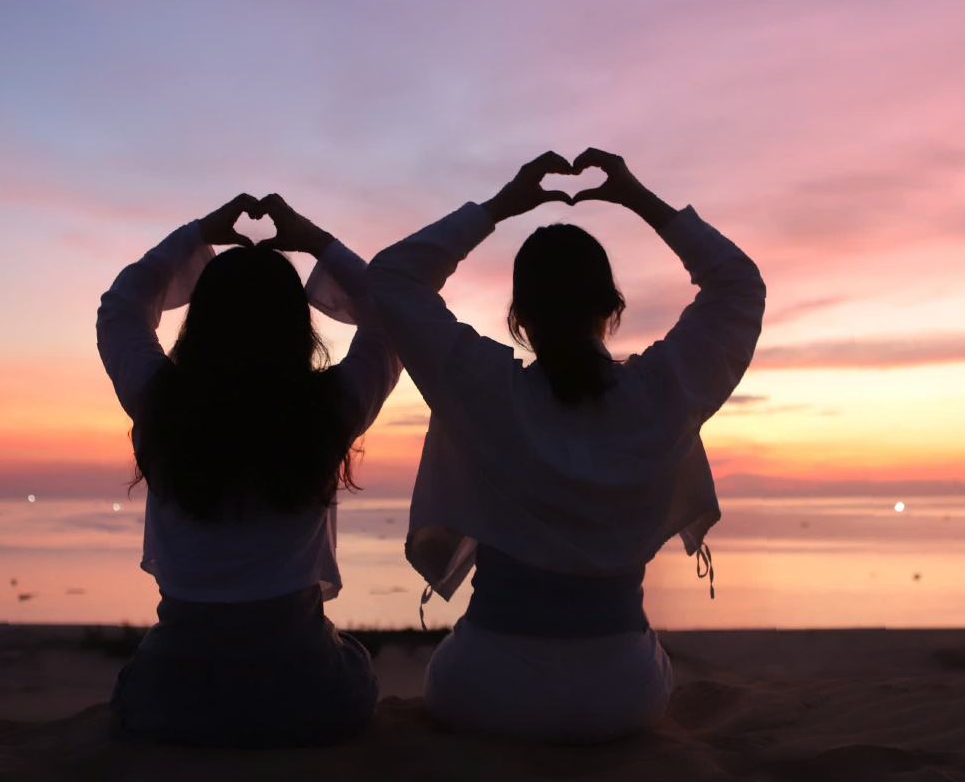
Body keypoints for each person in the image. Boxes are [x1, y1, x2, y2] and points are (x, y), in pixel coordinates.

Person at [366, 149, 765, 743]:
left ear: (519, 318)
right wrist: (638, 199)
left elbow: (391, 277)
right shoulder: (661, 392)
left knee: (449, 665)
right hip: (622, 696)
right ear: (613, 309)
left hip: (485, 689)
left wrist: (501, 206)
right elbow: (737, 285)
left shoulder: (482, 388)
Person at [96, 193, 400, 747]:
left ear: (202, 320)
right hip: (310, 697)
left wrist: (198, 233)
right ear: (296, 325)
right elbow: (390, 316)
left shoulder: (161, 402)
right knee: (350, 657)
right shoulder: (328, 409)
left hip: (169, 700)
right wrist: (314, 240)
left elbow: (121, 307)